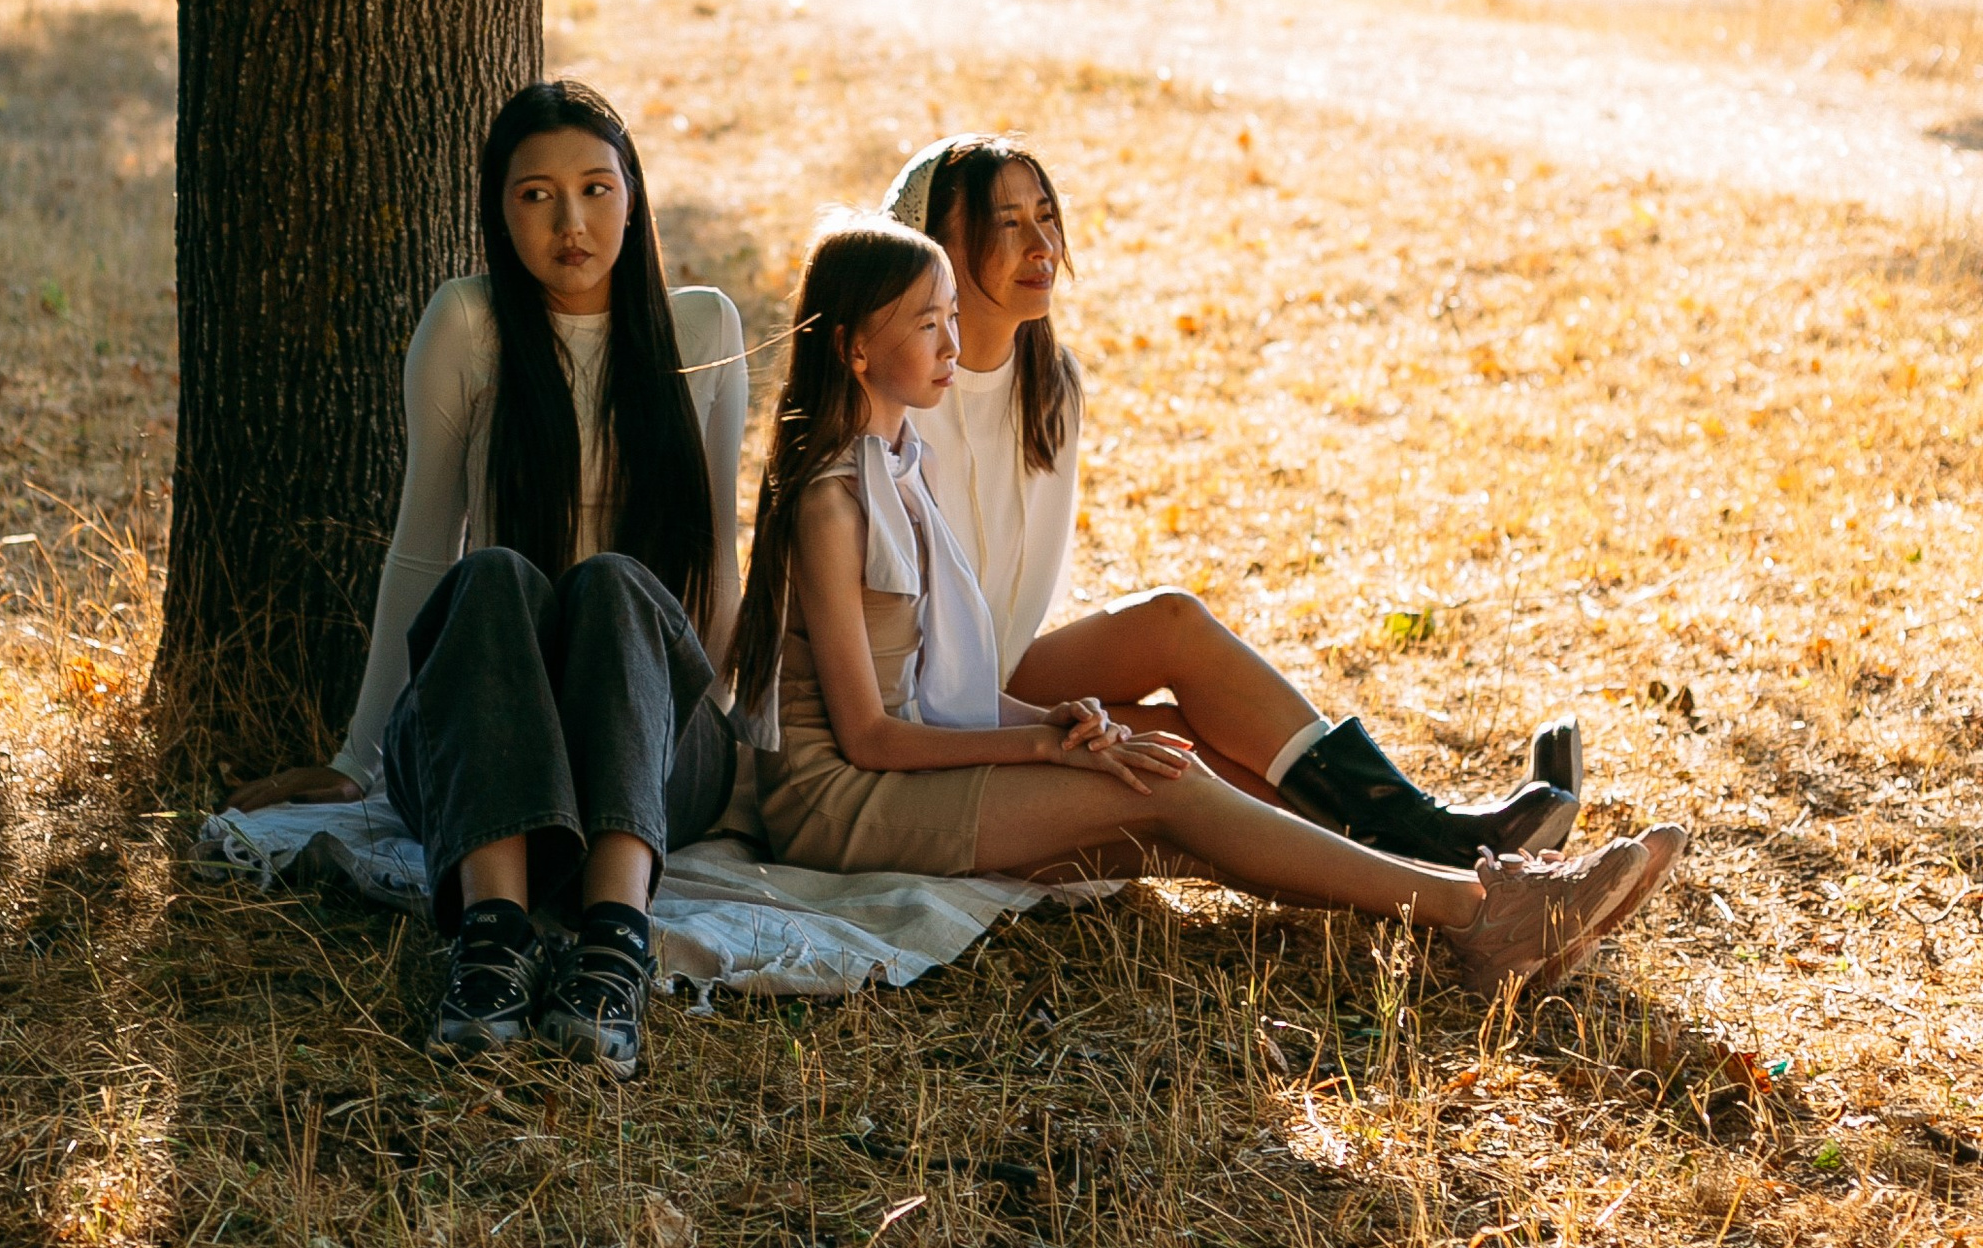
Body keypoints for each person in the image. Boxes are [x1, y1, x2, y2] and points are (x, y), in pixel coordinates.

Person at [731, 215, 1681, 993]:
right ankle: (1482, 911)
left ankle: (1472, 899)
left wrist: (1056, 721)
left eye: (950, 316)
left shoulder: (902, 464)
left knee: (1164, 796)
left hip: (897, 771)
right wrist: (1041, 745)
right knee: (1167, 786)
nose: (951, 343)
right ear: (855, 347)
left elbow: (938, 683)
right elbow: (870, 736)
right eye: (926, 324)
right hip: (837, 803)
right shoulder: (831, 501)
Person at [228, 81, 745, 1077]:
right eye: (536, 196)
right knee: (493, 574)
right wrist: (358, 756)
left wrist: (714, 724)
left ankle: (613, 949)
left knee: (614, 584)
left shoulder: (702, 330)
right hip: (495, 731)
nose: (570, 223)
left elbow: (719, 554)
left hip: (644, 741)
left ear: (633, 196)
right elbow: (423, 551)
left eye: (595, 189)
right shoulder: (469, 324)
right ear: (497, 212)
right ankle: (491, 947)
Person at [884, 134, 1580, 864]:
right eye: (1006, 223)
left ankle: (1428, 837)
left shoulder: (1050, 385)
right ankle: (1432, 860)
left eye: (1046, 215)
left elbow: (1008, 600)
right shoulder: (896, 400)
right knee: (1165, 743)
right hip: (923, 716)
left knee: (1172, 625)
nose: (1042, 246)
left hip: (995, 671)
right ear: (933, 249)